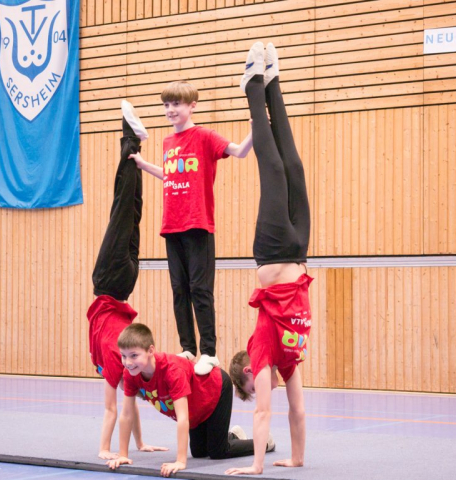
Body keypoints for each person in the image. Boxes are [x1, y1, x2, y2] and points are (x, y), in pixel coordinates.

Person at [225, 42, 312, 476]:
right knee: (293, 166)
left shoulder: (260, 352)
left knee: (274, 170)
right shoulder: (289, 361)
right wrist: (296, 458)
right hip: (300, 250)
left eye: (253, 384)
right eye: (257, 387)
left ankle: (252, 87)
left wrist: (256, 466)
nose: (265, 388)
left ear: (247, 370)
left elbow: (263, 413)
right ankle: (273, 81)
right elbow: (297, 410)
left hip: (273, 250)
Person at [129, 81, 254, 375]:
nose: (170, 110)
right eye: (166, 105)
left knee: (200, 289)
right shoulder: (167, 142)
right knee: (179, 289)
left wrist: (255, 131)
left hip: (198, 223)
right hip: (172, 225)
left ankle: (209, 352)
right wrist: (144, 165)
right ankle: (188, 347)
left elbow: (239, 152)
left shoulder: (204, 136)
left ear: (192, 106)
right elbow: (170, 175)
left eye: (176, 104)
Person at [87, 101, 162, 459]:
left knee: (132, 212)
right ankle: (129, 139)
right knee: (122, 208)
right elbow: (112, 408)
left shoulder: (128, 364)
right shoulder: (118, 362)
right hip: (109, 283)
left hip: (126, 283)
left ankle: (135, 145)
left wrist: (140, 445)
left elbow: (128, 405)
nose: (132, 363)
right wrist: (105, 449)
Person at [106, 323, 273, 477]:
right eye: (123, 356)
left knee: (218, 452)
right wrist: (123, 455)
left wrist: (180, 461)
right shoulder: (130, 373)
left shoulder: (172, 370)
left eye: (134, 355)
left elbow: (182, 418)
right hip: (196, 405)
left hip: (216, 388)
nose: (128, 362)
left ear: (150, 350)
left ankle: (265, 442)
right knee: (199, 452)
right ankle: (233, 435)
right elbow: (126, 414)